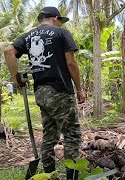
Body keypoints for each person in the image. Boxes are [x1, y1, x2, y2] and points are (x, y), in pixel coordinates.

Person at [4, 6, 85, 180]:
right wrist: (79, 89)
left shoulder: (28, 36)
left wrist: (15, 77)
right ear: (55, 18)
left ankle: (49, 174)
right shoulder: (61, 33)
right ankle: (71, 177)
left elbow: (9, 51)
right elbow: (71, 63)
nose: (61, 25)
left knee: (50, 133)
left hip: (41, 92)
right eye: (60, 21)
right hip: (60, 90)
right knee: (72, 134)